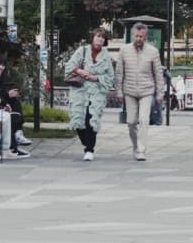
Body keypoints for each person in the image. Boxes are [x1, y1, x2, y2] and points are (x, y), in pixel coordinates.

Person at [115, 22, 164, 161]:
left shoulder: (153, 52)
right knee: (131, 122)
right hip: (129, 90)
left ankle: (141, 150)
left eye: (141, 36)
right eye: (136, 36)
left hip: (146, 90)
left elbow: (158, 74)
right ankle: (135, 146)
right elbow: (119, 73)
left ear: (145, 37)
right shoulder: (124, 50)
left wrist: (160, 94)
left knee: (143, 120)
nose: (138, 39)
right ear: (132, 36)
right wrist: (118, 92)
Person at [65, 28, 115, 161]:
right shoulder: (82, 51)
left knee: (91, 120)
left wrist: (96, 78)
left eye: (103, 37)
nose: (100, 39)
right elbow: (69, 66)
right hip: (79, 90)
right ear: (92, 37)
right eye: (98, 36)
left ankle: (89, 149)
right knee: (77, 119)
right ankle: (86, 142)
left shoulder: (106, 56)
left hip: (97, 91)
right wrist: (80, 72)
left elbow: (110, 77)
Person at [0, 55, 31, 158]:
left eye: (3, 65)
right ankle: (11, 147)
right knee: (8, 116)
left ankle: (18, 134)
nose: (1, 67)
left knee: (14, 102)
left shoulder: (1, 79)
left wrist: (9, 95)